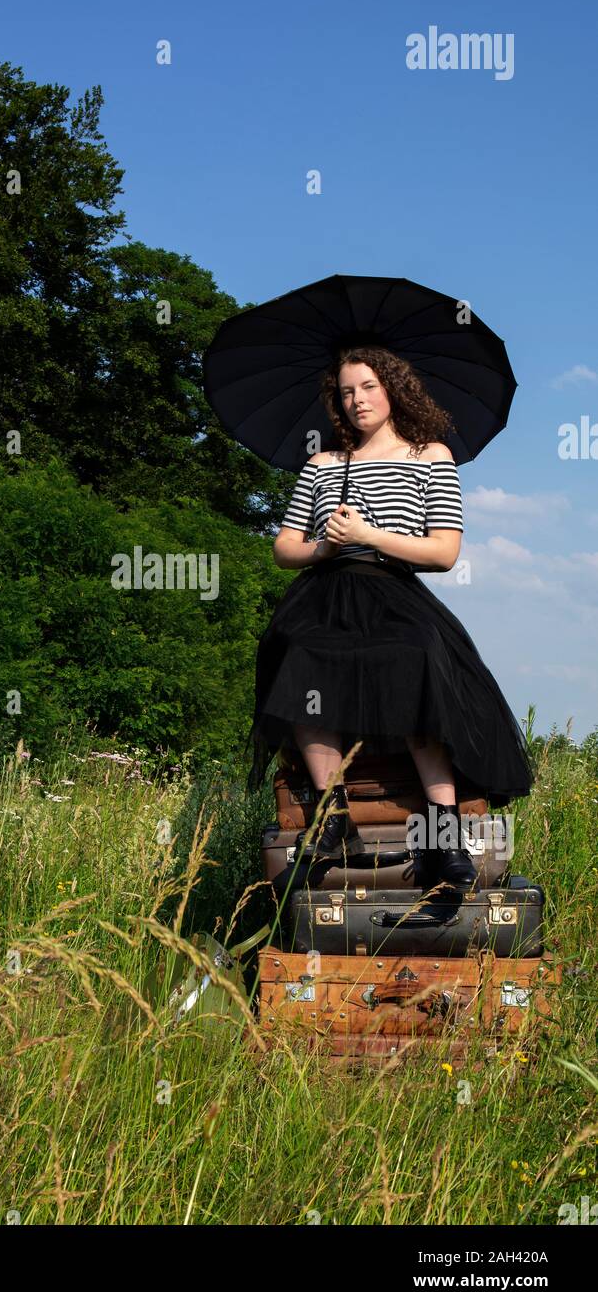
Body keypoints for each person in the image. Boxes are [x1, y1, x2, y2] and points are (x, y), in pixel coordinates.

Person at [246, 345, 536, 887]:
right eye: (346, 391)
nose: (356, 400)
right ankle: (333, 819)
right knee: (299, 652)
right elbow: (284, 548)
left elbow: (444, 552)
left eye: (368, 387)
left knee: (416, 654)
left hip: (393, 590)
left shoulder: (431, 455)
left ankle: (444, 833)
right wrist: (325, 548)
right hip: (327, 589)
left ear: (393, 390)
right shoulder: (323, 462)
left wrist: (368, 535)